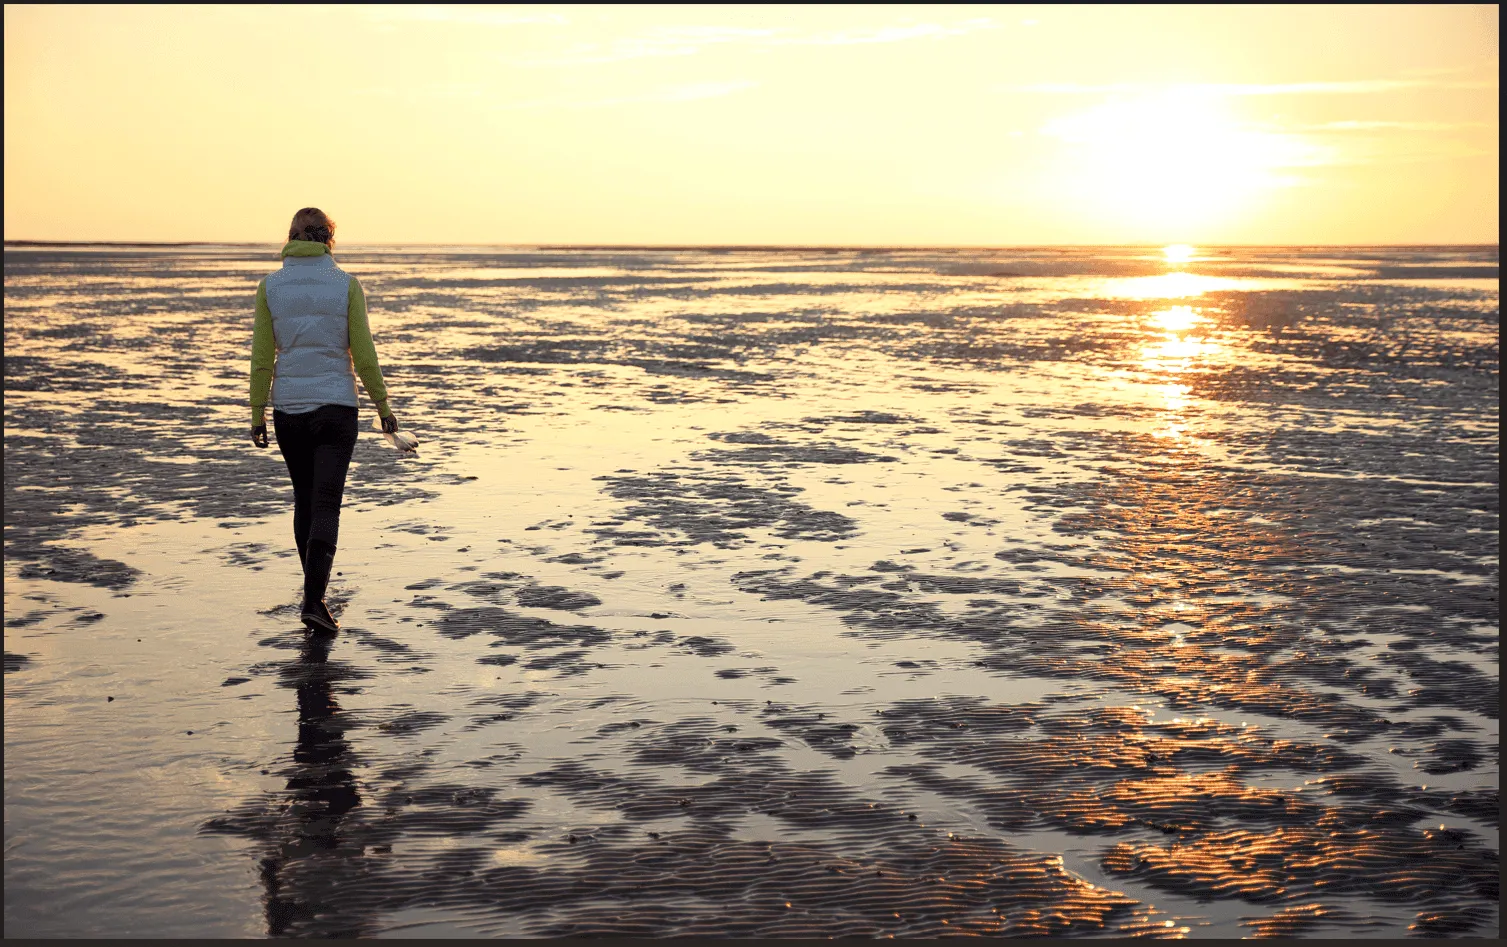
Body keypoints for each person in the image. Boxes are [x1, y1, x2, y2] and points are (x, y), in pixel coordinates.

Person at [249, 208, 397, 633]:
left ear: (292, 237)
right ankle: (314, 600)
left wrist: (257, 411)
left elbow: (262, 357)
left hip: (288, 411)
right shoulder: (346, 285)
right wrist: (383, 409)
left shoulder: (270, 287)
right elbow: (364, 355)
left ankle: (315, 597)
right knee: (327, 504)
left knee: (305, 501)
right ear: (329, 239)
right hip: (336, 408)